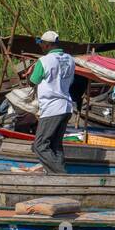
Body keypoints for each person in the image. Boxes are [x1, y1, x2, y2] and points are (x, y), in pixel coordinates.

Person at [29, 31, 75, 173]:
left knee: (40, 145)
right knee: (55, 146)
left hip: (52, 108)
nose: (41, 47)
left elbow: (33, 81)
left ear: (48, 45)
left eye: (42, 44)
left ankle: (61, 175)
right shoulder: (70, 59)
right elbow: (71, 81)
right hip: (66, 107)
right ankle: (55, 176)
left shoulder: (44, 61)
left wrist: (28, 75)